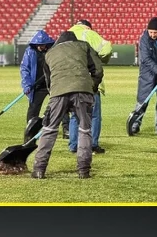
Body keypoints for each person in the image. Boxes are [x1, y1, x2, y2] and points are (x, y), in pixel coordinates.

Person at [31, 30, 104, 179]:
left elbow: (49, 81)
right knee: (84, 130)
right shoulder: (84, 46)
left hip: (58, 93)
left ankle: (39, 169)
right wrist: (92, 87)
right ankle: (84, 170)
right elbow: (98, 70)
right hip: (83, 91)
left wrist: (55, 96)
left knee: (49, 130)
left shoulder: (49, 54)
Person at [68, 20, 112, 154]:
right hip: (90, 80)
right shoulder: (91, 34)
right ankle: (92, 144)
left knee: (75, 115)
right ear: (88, 27)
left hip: (71, 81)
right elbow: (107, 48)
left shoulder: (67, 35)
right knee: (94, 115)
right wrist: (97, 58)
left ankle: (74, 145)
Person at [20, 30, 64, 140]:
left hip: (53, 84)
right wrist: (27, 84)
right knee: (33, 108)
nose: (40, 47)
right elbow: (25, 69)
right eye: (38, 45)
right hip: (37, 86)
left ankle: (66, 130)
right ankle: (31, 129)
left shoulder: (53, 51)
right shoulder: (30, 51)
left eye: (42, 45)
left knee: (62, 105)